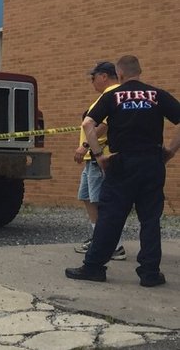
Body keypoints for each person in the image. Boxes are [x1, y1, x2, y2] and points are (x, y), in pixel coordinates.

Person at [66, 55, 180, 287]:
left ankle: (94, 267)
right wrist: (170, 150)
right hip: (151, 162)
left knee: (110, 216)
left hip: (122, 163)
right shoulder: (156, 94)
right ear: (140, 71)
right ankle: (149, 273)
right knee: (150, 219)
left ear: (119, 75)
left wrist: (98, 156)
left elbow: (88, 124)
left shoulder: (111, 96)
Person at [72, 61, 125, 260]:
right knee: (87, 197)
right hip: (91, 159)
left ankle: (115, 245)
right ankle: (99, 237)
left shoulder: (112, 95)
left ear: (104, 76)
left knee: (102, 201)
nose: (92, 82)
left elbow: (103, 125)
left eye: (93, 78)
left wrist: (85, 146)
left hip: (99, 157)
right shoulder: (106, 96)